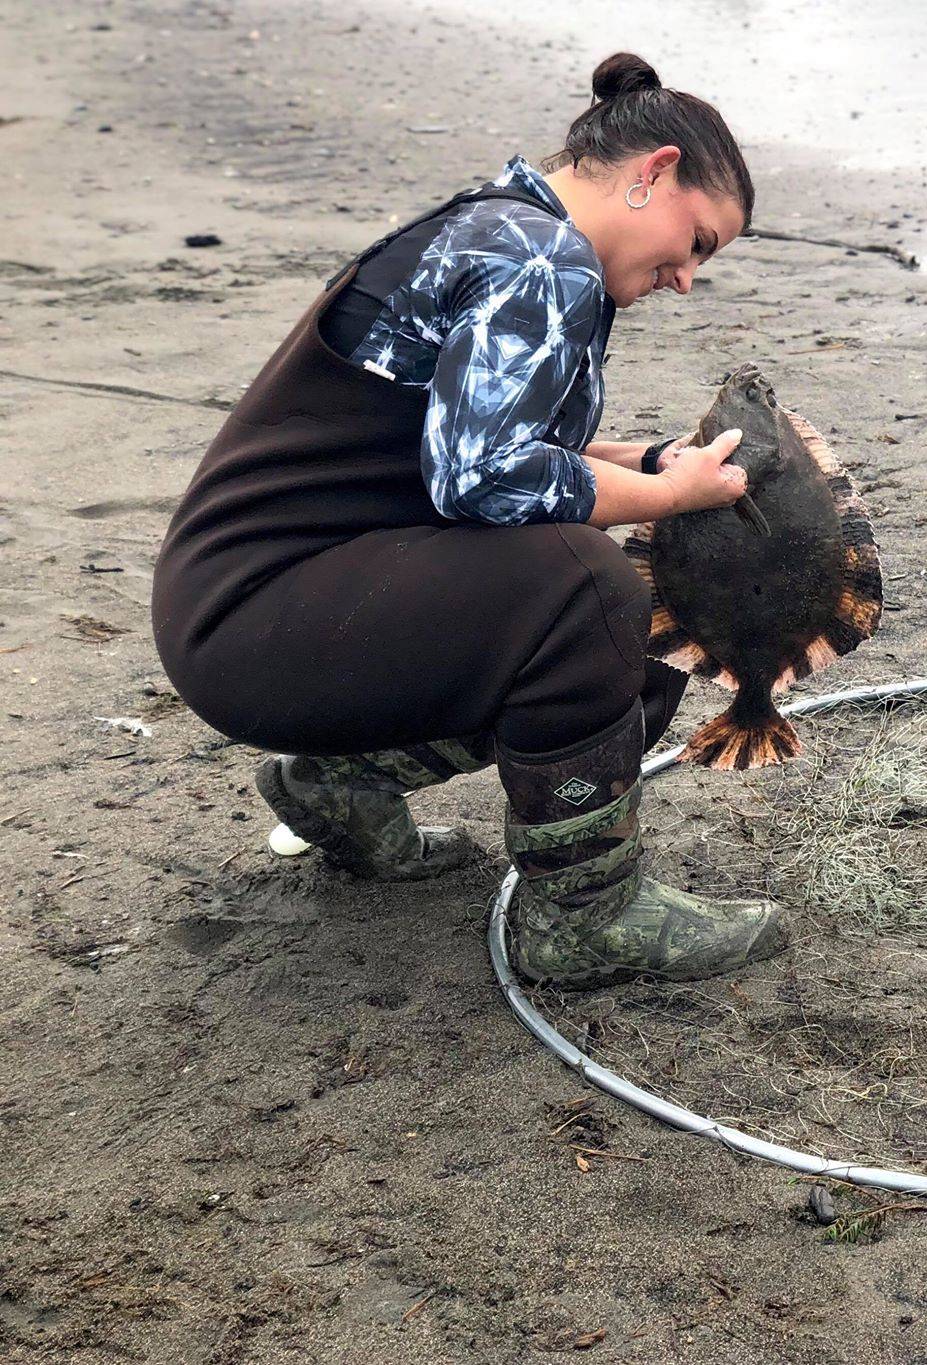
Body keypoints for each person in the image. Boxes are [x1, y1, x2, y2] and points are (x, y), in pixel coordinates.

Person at [151, 53, 788, 988]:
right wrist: (671, 499)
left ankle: (345, 781)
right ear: (653, 174)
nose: (688, 279)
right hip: (259, 616)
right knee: (594, 591)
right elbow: (484, 477)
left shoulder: (506, 229)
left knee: (638, 633)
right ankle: (584, 918)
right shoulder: (543, 259)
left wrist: (648, 464)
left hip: (256, 607)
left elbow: (480, 441)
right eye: (699, 243)